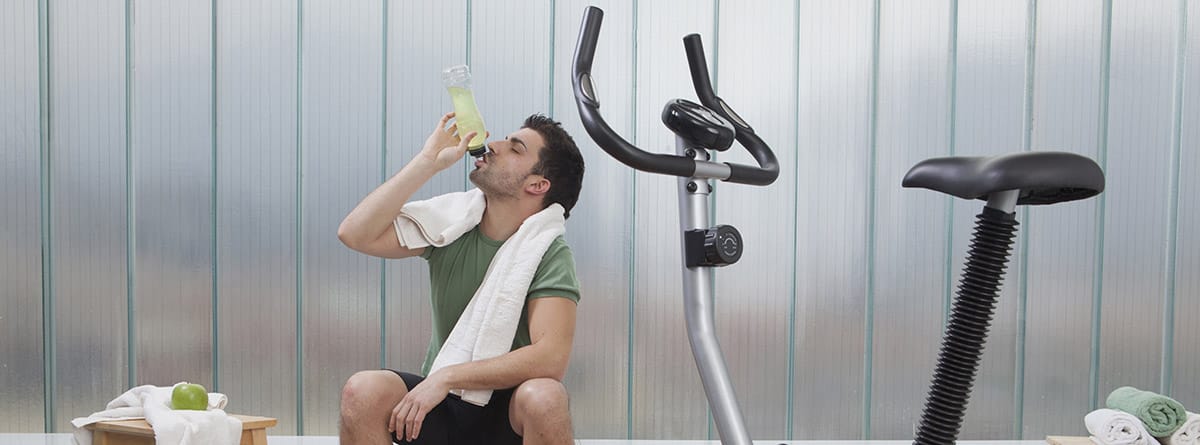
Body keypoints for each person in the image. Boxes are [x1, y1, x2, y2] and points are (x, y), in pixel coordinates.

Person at [336, 111, 586, 445]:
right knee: (362, 391)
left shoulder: (548, 253)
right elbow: (355, 233)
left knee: (545, 397)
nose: (492, 146)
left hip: (508, 415)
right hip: (444, 405)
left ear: (537, 184)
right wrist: (428, 161)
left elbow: (550, 358)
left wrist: (447, 376)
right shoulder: (452, 226)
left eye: (515, 149)